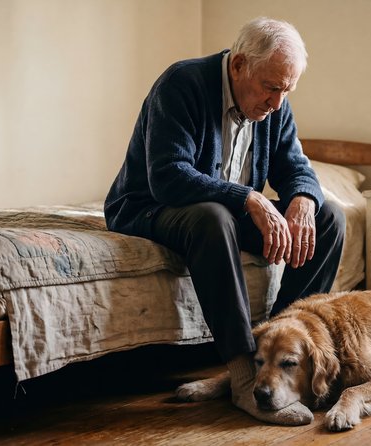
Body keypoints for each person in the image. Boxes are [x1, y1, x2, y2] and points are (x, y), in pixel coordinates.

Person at [104, 17, 345, 425]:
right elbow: (167, 176)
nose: (277, 102)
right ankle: (243, 377)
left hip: (224, 209)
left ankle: (277, 349)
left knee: (330, 216)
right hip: (148, 205)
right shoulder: (181, 84)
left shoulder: (275, 104)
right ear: (238, 66)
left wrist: (303, 198)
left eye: (287, 90)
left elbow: (295, 167)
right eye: (271, 87)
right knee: (214, 218)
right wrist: (248, 197)